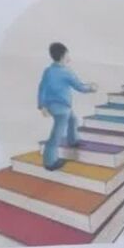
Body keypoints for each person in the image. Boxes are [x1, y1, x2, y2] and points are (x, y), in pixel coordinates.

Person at [37, 42, 96, 170]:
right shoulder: (66, 72)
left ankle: (73, 140)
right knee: (56, 135)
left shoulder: (48, 71)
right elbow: (80, 87)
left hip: (52, 106)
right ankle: (50, 162)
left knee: (73, 119)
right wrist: (91, 88)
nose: (69, 58)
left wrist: (42, 106)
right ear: (63, 56)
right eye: (68, 55)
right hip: (62, 108)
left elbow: (42, 88)